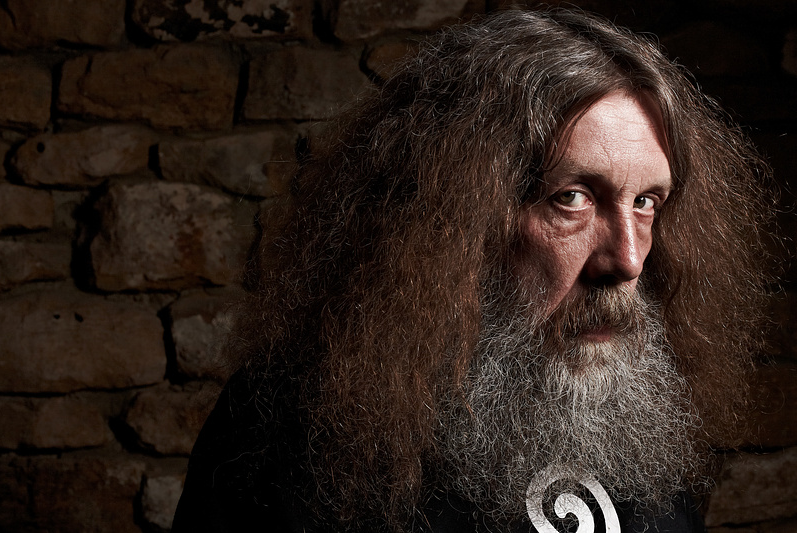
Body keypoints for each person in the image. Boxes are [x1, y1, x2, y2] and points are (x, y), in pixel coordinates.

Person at [172, 8, 773, 533]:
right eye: (571, 198)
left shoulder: (638, 422)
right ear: (453, 220)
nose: (627, 261)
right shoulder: (288, 428)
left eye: (645, 202)